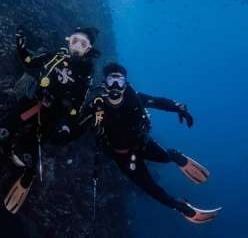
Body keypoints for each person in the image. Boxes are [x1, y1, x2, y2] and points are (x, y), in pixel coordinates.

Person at [78, 62, 221, 224]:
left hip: (143, 144)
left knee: (166, 158)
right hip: (123, 157)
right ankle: (180, 206)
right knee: (150, 188)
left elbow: (158, 102)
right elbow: (77, 124)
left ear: (126, 82)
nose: (116, 85)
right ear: (105, 82)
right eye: (112, 80)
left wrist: (180, 108)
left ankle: (174, 156)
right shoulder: (96, 104)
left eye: (120, 80)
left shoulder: (134, 97)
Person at [0, 26, 100, 213]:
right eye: (75, 41)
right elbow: (29, 62)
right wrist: (20, 44)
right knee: (2, 131)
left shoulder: (86, 72)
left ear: (88, 49)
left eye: (83, 44)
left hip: (52, 117)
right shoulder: (57, 55)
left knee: (28, 150)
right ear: (68, 40)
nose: (77, 46)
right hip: (33, 103)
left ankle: (28, 174)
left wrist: (64, 115)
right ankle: (8, 155)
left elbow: (76, 109)